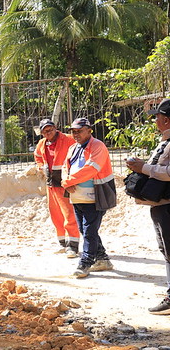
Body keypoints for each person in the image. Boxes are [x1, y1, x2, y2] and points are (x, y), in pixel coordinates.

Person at [126, 99, 170, 314]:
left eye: (157, 117)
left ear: (166, 119)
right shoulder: (165, 142)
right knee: (167, 250)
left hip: (168, 205)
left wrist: (144, 167)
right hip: (160, 204)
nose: (155, 121)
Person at [61, 117, 115, 278]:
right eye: (73, 131)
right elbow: (65, 166)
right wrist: (65, 181)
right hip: (77, 196)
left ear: (89, 130)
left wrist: (69, 181)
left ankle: (85, 263)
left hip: (95, 196)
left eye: (79, 131)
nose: (75, 134)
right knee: (85, 230)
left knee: (89, 231)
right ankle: (103, 259)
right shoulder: (73, 148)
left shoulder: (98, 146)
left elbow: (91, 168)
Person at [34, 118, 81, 257]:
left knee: (69, 213)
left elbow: (80, 153)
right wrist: (41, 167)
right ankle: (63, 242)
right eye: (45, 131)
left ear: (55, 128)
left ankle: (73, 245)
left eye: (50, 129)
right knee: (56, 214)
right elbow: (37, 157)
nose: (48, 133)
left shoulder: (68, 139)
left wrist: (73, 176)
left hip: (65, 182)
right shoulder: (42, 144)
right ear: (42, 133)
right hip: (51, 183)